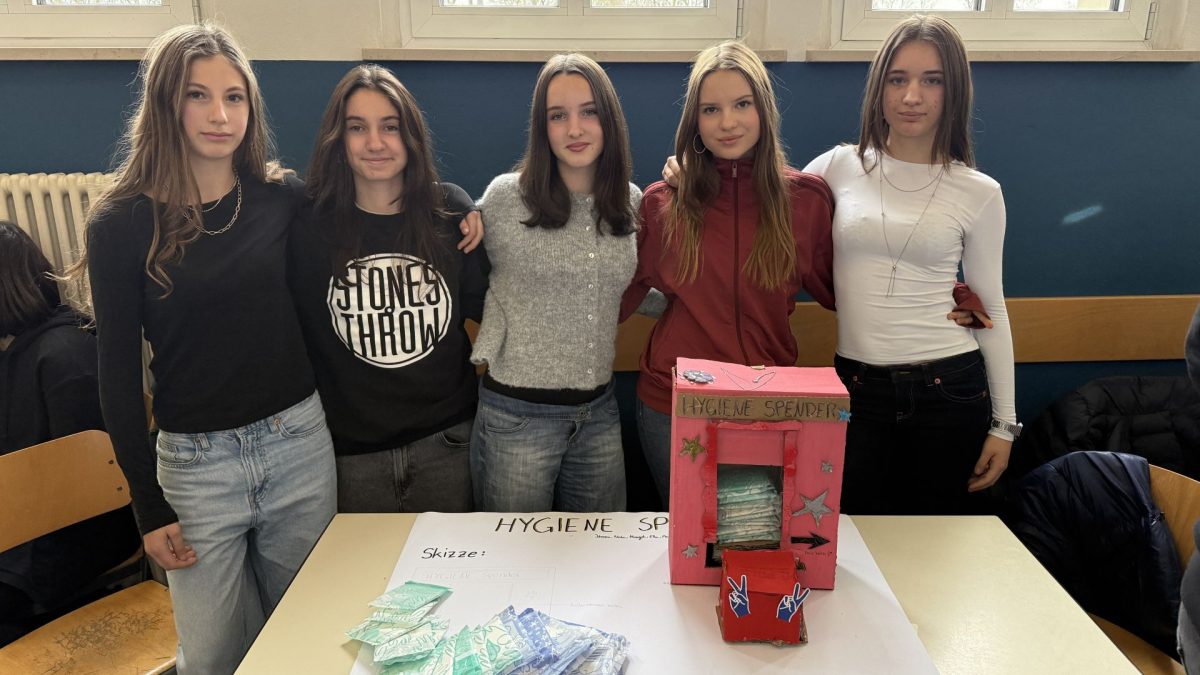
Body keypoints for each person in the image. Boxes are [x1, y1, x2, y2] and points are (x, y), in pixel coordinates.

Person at [76, 23, 335, 674]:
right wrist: (146, 504)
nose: (220, 115)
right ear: (166, 103)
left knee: (305, 643)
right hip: (195, 469)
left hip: (296, 447)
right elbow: (116, 376)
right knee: (215, 656)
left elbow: (369, 216)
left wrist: (456, 206)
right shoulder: (120, 223)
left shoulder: (281, 198)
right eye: (199, 95)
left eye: (234, 97)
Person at [803, 15, 1016, 515]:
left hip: (949, 390)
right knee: (852, 541)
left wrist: (1005, 424)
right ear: (879, 89)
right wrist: (689, 170)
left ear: (954, 90)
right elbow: (763, 201)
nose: (912, 96)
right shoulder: (838, 166)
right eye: (897, 79)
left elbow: (990, 310)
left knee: (936, 549)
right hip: (855, 390)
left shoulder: (980, 192)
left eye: (932, 80)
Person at [621, 41, 837, 506]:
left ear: (764, 110)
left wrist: (948, 292)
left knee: (754, 537)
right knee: (685, 538)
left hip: (767, 404)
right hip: (674, 405)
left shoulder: (805, 201)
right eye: (711, 109)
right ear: (695, 122)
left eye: (742, 104)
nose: (728, 122)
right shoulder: (663, 203)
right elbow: (615, 291)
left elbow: (850, 288)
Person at [289, 64, 488, 513]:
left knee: (449, 559)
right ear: (338, 139)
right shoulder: (307, 226)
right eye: (357, 127)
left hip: (448, 442)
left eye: (390, 127)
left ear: (411, 136)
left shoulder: (449, 215)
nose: (375, 143)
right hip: (348, 454)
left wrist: (472, 208)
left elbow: (492, 308)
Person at [470, 53, 639, 512]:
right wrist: (457, 202)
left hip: (599, 416)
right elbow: (449, 229)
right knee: (513, 552)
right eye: (558, 116)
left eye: (589, 112)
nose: (574, 129)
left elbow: (630, 287)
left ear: (609, 120)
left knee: (603, 549)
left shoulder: (629, 201)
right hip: (517, 421)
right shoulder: (507, 198)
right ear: (541, 127)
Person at [0, 221, 139, 647]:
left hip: (72, 534)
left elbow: (89, 489)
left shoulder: (63, 357)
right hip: (29, 524)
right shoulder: (22, 348)